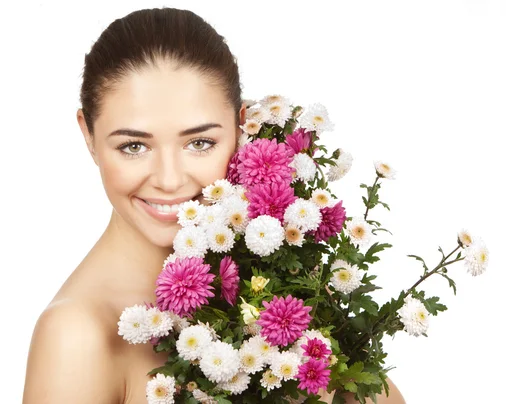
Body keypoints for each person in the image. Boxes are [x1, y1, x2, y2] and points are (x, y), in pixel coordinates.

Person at [22, 7, 405, 404]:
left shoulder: (272, 285)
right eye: (134, 146)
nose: (169, 180)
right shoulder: (76, 337)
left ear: (243, 127)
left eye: (199, 143)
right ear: (88, 135)